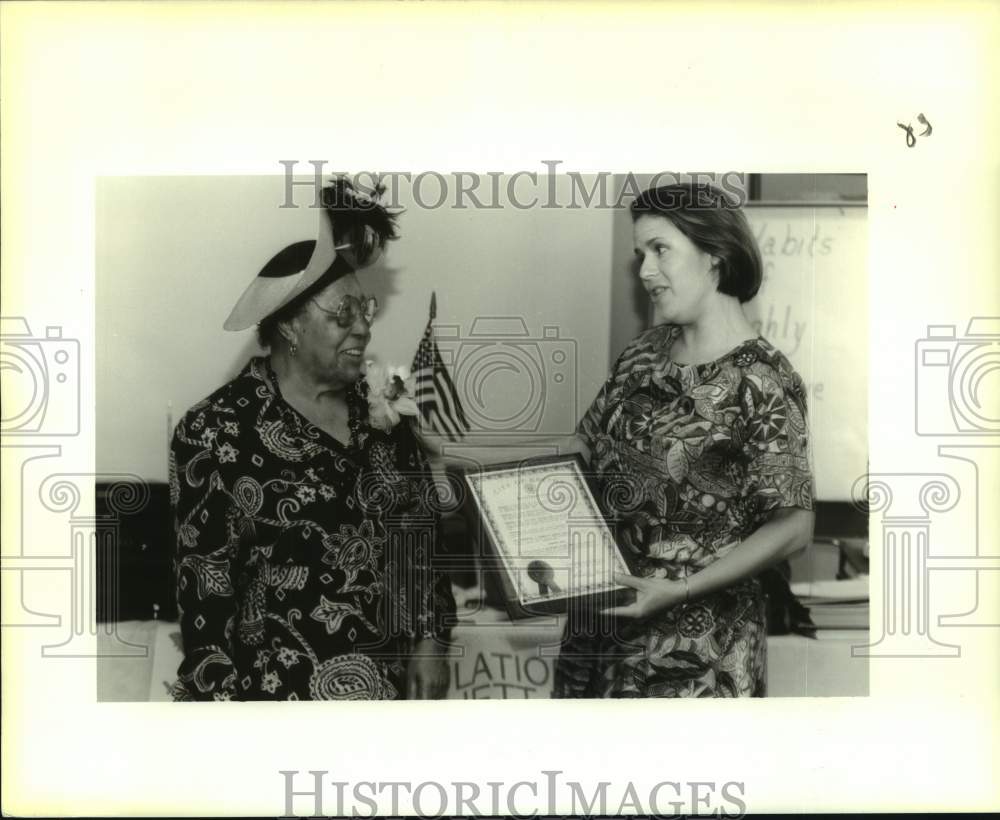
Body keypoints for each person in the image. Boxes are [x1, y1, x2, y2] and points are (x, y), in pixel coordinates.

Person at [169, 178, 455, 700]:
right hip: (279, 703)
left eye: (365, 309)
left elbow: (422, 533)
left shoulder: (384, 412)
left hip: (394, 698)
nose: (364, 328)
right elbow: (205, 600)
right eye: (341, 315)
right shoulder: (215, 430)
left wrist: (432, 640)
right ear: (291, 327)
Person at [554, 182, 815, 698]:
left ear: (714, 253)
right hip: (598, 639)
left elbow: (795, 527)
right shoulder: (641, 355)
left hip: (700, 658)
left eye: (660, 250)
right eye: (639, 254)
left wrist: (677, 589)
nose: (645, 270)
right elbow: (581, 453)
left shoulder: (763, 379)